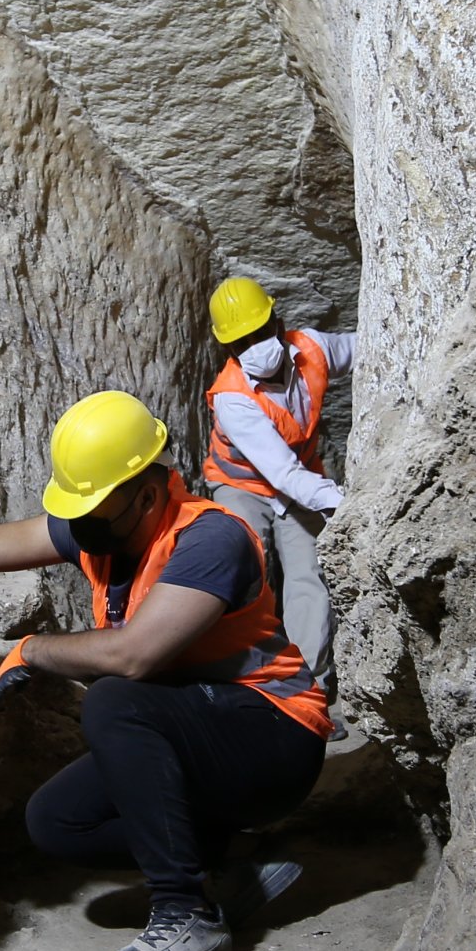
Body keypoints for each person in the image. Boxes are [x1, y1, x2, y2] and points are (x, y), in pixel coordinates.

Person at [0, 390, 329, 951]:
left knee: (115, 697)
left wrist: (33, 650)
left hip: (276, 737)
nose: (80, 530)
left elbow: (131, 655)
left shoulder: (210, 540)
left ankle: (185, 914)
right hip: (202, 732)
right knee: (57, 821)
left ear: (146, 494)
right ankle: (230, 867)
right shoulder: (106, 526)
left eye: (94, 515)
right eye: (76, 513)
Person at [200, 276, 356, 689]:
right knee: (244, 571)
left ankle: (306, 692)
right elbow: (281, 472)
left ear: (277, 321)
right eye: (242, 341)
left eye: (260, 333)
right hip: (243, 486)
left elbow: (371, 347)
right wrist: (346, 503)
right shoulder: (233, 397)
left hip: (300, 480)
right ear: (228, 348)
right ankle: (247, 684)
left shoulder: (310, 349)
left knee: (311, 576)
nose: (256, 346)